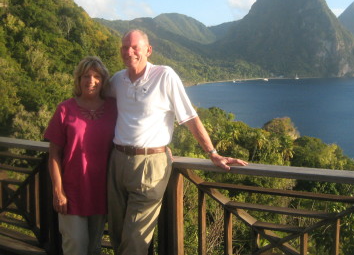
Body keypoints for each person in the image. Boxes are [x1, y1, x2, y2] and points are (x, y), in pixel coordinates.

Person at [108, 29, 248, 254]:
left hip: (150, 164)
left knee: (135, 238)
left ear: (148, 50)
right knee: (117, 231)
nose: (129, 51)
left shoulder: (164, 75)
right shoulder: (117, 80)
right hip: (116, 161)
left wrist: (212, 152)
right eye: (125, 47)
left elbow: (189, 117)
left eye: (135, 47)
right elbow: (98, 105)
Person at [45, 56, 117, 255]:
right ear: (78, 79)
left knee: (94, 248)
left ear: (103, 81)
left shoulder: (114, 108)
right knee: (75, 245)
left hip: (102, 190)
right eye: (86, 76)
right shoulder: (65, 109)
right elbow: (54, 154)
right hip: (72, 191)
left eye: (96, 76)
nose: (91, 81)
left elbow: (136, 128)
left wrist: (162, 146)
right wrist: (58, 191)